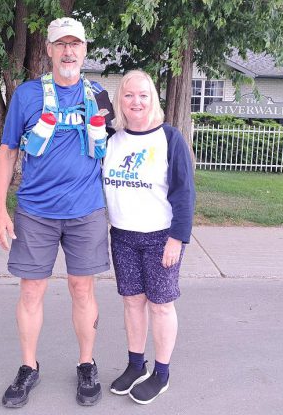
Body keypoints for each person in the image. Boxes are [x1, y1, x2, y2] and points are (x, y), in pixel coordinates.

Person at [0, 17, 114, 408]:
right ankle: (29, 367)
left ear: (84, 50)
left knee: (83, 288)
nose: (68, 51)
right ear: (47, 50)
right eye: (60, 44)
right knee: (31, 290)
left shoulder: (99, 96)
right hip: (36, 212)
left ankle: (86, 363)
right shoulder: (27, 96)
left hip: (86, 211)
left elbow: (119, 148)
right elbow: (8, 152)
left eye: (75, 44)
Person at [102, 70, 196, 404]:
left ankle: (161, 372)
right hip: (123, 236)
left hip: (161, 238)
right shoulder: (111, 139)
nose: (136, 101)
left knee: (160, 305)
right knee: (132, 302)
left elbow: (185, 194)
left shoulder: (170, 138)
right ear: (120, 101)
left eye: (143, 95)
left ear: (152, 98)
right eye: (128, 95)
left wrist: (177, 238)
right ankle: (135, 365)